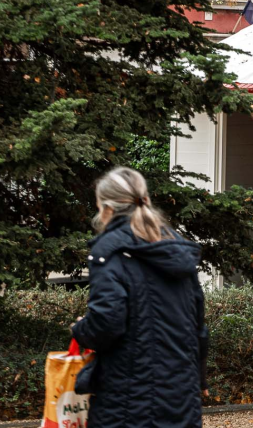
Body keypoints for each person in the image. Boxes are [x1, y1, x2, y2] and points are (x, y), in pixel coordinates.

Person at [71, 166, 208, 428]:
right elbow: (198, 324)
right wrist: (200, 379)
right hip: (181, 396)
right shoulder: (176, 248)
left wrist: (80, 329)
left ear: (106, 208)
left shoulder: (109, 251)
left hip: (128, 401)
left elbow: (107, 323)